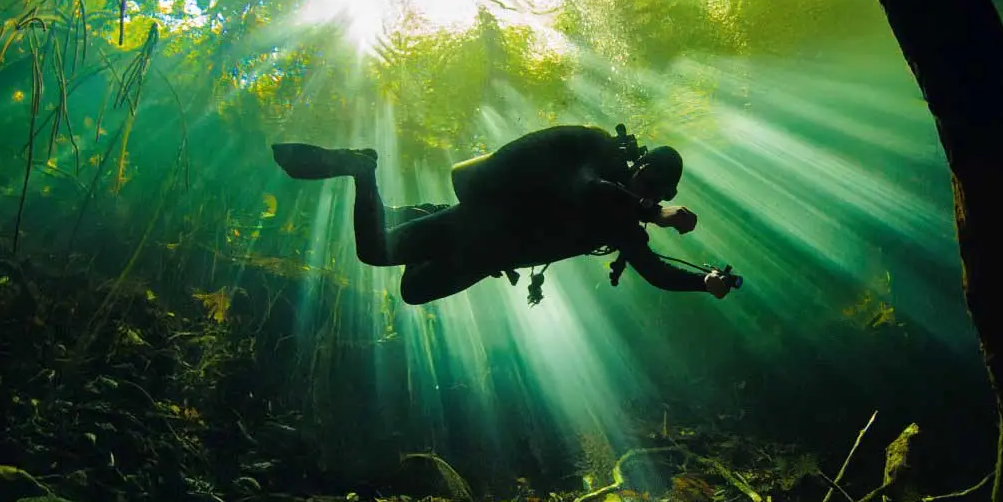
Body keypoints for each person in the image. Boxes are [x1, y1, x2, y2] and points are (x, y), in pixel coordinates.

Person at [271, 124, 739, 305]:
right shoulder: (600, 159)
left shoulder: (623, 222)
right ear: (639, 166)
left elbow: (655, 272)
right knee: (374, 251)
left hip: (489, 257)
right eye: (649, 182)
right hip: (480, 224)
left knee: (413, 291)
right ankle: (361, 169)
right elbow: (584, 188)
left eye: (659, 191)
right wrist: (651, 209)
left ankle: (423, 213)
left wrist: (703, 282)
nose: (648, 193)